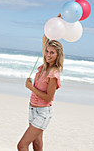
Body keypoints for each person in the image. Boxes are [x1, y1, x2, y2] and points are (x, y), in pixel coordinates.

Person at [17, 13, 64, 151]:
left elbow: (49, 97)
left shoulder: (53, 73)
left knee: (22, 145)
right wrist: (57, 20)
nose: (48, 55)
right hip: (32, 109)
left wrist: (31, 87)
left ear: (57, 55)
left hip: (43, 113)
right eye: (47, 51)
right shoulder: (44, 66)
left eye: (52, 53)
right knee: (37, 145)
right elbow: (45, 37)